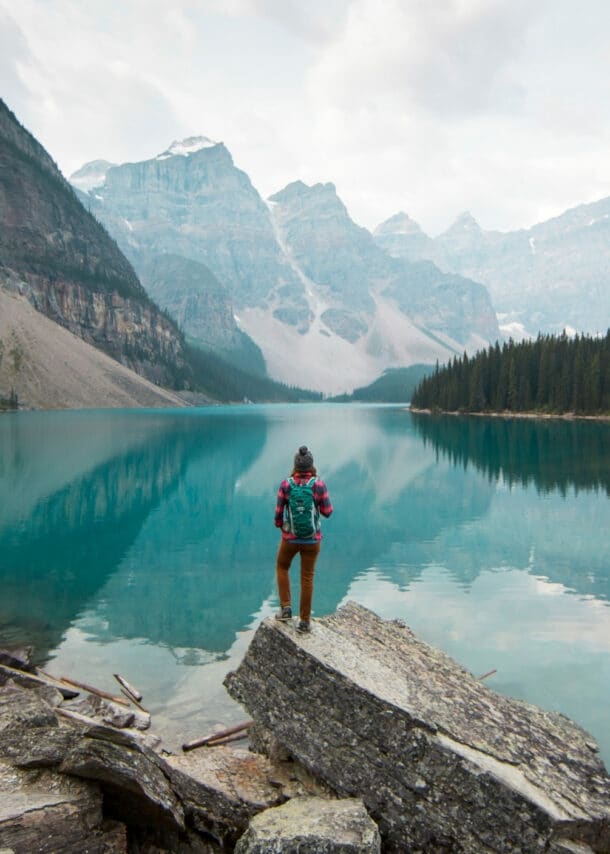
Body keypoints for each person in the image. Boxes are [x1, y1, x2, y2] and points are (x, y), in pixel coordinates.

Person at [274, 445, 333, 633]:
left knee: (282, 567)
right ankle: (305, 621)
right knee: (307, 577)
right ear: (311, 465)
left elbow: (277, 517)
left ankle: (285, 608)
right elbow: (328, 512)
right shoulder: (318, 485)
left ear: (295, 465)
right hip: (312, 540)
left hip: (290, 539)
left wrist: (284, 526)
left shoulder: (285, 485)